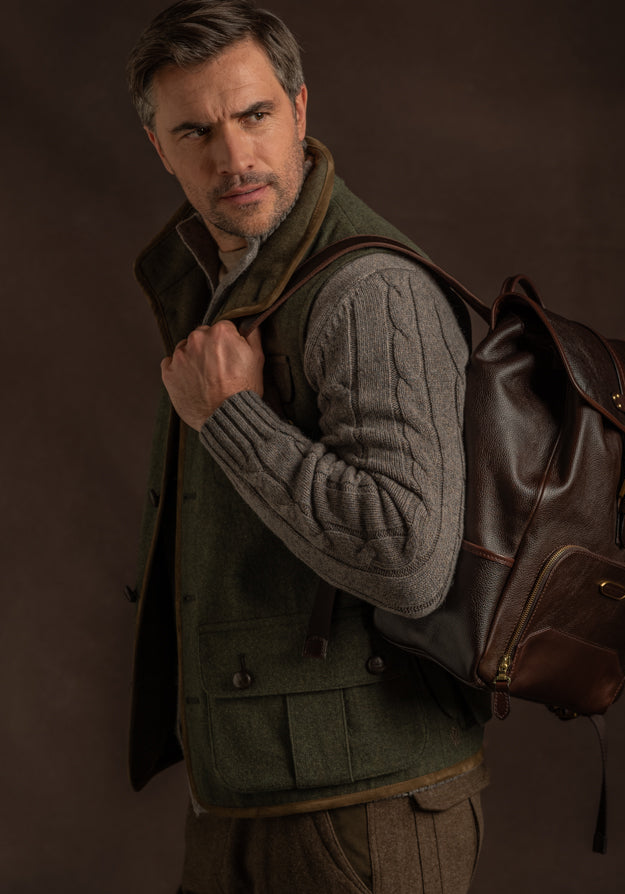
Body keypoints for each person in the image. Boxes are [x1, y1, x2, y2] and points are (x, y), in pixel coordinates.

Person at [125, 2, 491, 891]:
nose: (233, 156)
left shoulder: (370, 291)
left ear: (297, 109)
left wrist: (233, 419)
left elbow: (408, 558)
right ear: (159, 147)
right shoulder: (226, 278)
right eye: (194, 131)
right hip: (243, 800)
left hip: (366, 815)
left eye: (253, 114)